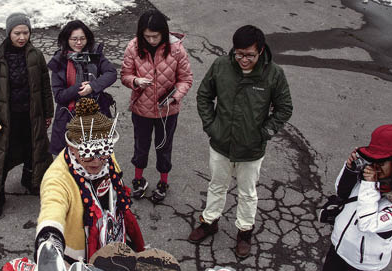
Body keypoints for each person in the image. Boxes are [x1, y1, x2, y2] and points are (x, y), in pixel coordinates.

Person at [187, 25, 293, 258]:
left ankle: (244, 231)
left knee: (247, 193)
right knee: (217, 185)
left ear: (261, 51)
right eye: (239, 54)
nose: (244, 60)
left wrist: (265, 131)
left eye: (250, 55)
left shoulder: (274, 74)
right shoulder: (221, 66)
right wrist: (211, 126)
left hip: (252, 148)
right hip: (221, 143)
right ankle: (209, 221)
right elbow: (204, 96)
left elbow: (284, 109)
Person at [34, 97, 145, 265]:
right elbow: (52, 208)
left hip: (113, 245)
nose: (97, 161)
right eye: (88, 154)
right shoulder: (57, 177)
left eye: (104, 152)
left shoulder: (106, 159)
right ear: (72, 147)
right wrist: (50, 242)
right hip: (78, 261)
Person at [0, 13, 54, 219]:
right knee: (3, 157)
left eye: (25, 32)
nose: (22, 37)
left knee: (35, 149)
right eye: (17, 33)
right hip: (7, 119)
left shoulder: (36, 55)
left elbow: (44, 86)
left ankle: (30, 180)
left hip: (31, 116)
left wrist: (48, 112)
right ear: (8, 33)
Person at [121, 9, 193, 203]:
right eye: (147, 37)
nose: (151, 40)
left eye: (155, 36)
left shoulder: (177, 49)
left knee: (164, 147)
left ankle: (163, 182)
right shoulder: (133, 47)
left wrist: (175, 96)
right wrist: (135, 81)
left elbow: (185, 79)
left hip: (167, 111)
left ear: (164, 32)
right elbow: (125, 75)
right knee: (140, 147)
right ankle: (138, 179)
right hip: (141, 110)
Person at [321, 124, 392, 271]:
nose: (374, 166)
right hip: (338, 249)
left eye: (381, 162)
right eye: (372, 159)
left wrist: (370, 184)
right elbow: (341, 192)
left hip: (362, 267)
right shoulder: (370, 178)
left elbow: (367, 223)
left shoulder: (378, 190)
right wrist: (350, 170)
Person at [48, 20, 117, 156]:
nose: (79, 43)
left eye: (82, 39)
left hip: (95, 115)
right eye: (74, 39)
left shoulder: (95, 55)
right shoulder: (59, 61)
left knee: (96, 157)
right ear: (66, 39)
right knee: (70, 157)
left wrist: (92, 86)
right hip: (69, 116)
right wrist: (78, 88)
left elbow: (111, 73)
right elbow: (59, 96)